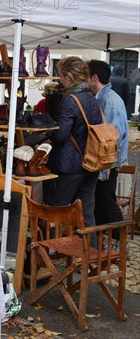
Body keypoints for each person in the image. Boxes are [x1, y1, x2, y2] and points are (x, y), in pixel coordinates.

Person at [43, 56, 102, 246]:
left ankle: (48, 254)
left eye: (61, 76)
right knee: (86, 213)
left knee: (55, 212)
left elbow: (60, 136)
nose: (61, 80)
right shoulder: (92, 97)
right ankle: (90, 254)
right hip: (91, 162)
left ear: (69, 76)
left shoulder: (70, 100)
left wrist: (47, 131)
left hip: (69, 166)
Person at [88, 60, 129, 246]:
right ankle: (104, 243)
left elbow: (110, 139)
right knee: (101, 202)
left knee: (107, 203)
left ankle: (120, 242)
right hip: (108, 162)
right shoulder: (105, 97)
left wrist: (104, 169)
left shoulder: (108, 100)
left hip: (107, 163)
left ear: (94, 77)